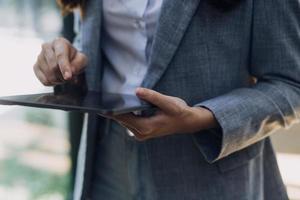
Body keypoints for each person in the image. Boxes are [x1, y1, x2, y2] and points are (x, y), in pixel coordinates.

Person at [33, 0, 300, 199]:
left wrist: (203, 117)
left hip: (209, 170)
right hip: (106, 160)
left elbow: (290, 85)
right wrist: (69, 64)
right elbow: (101, 42)